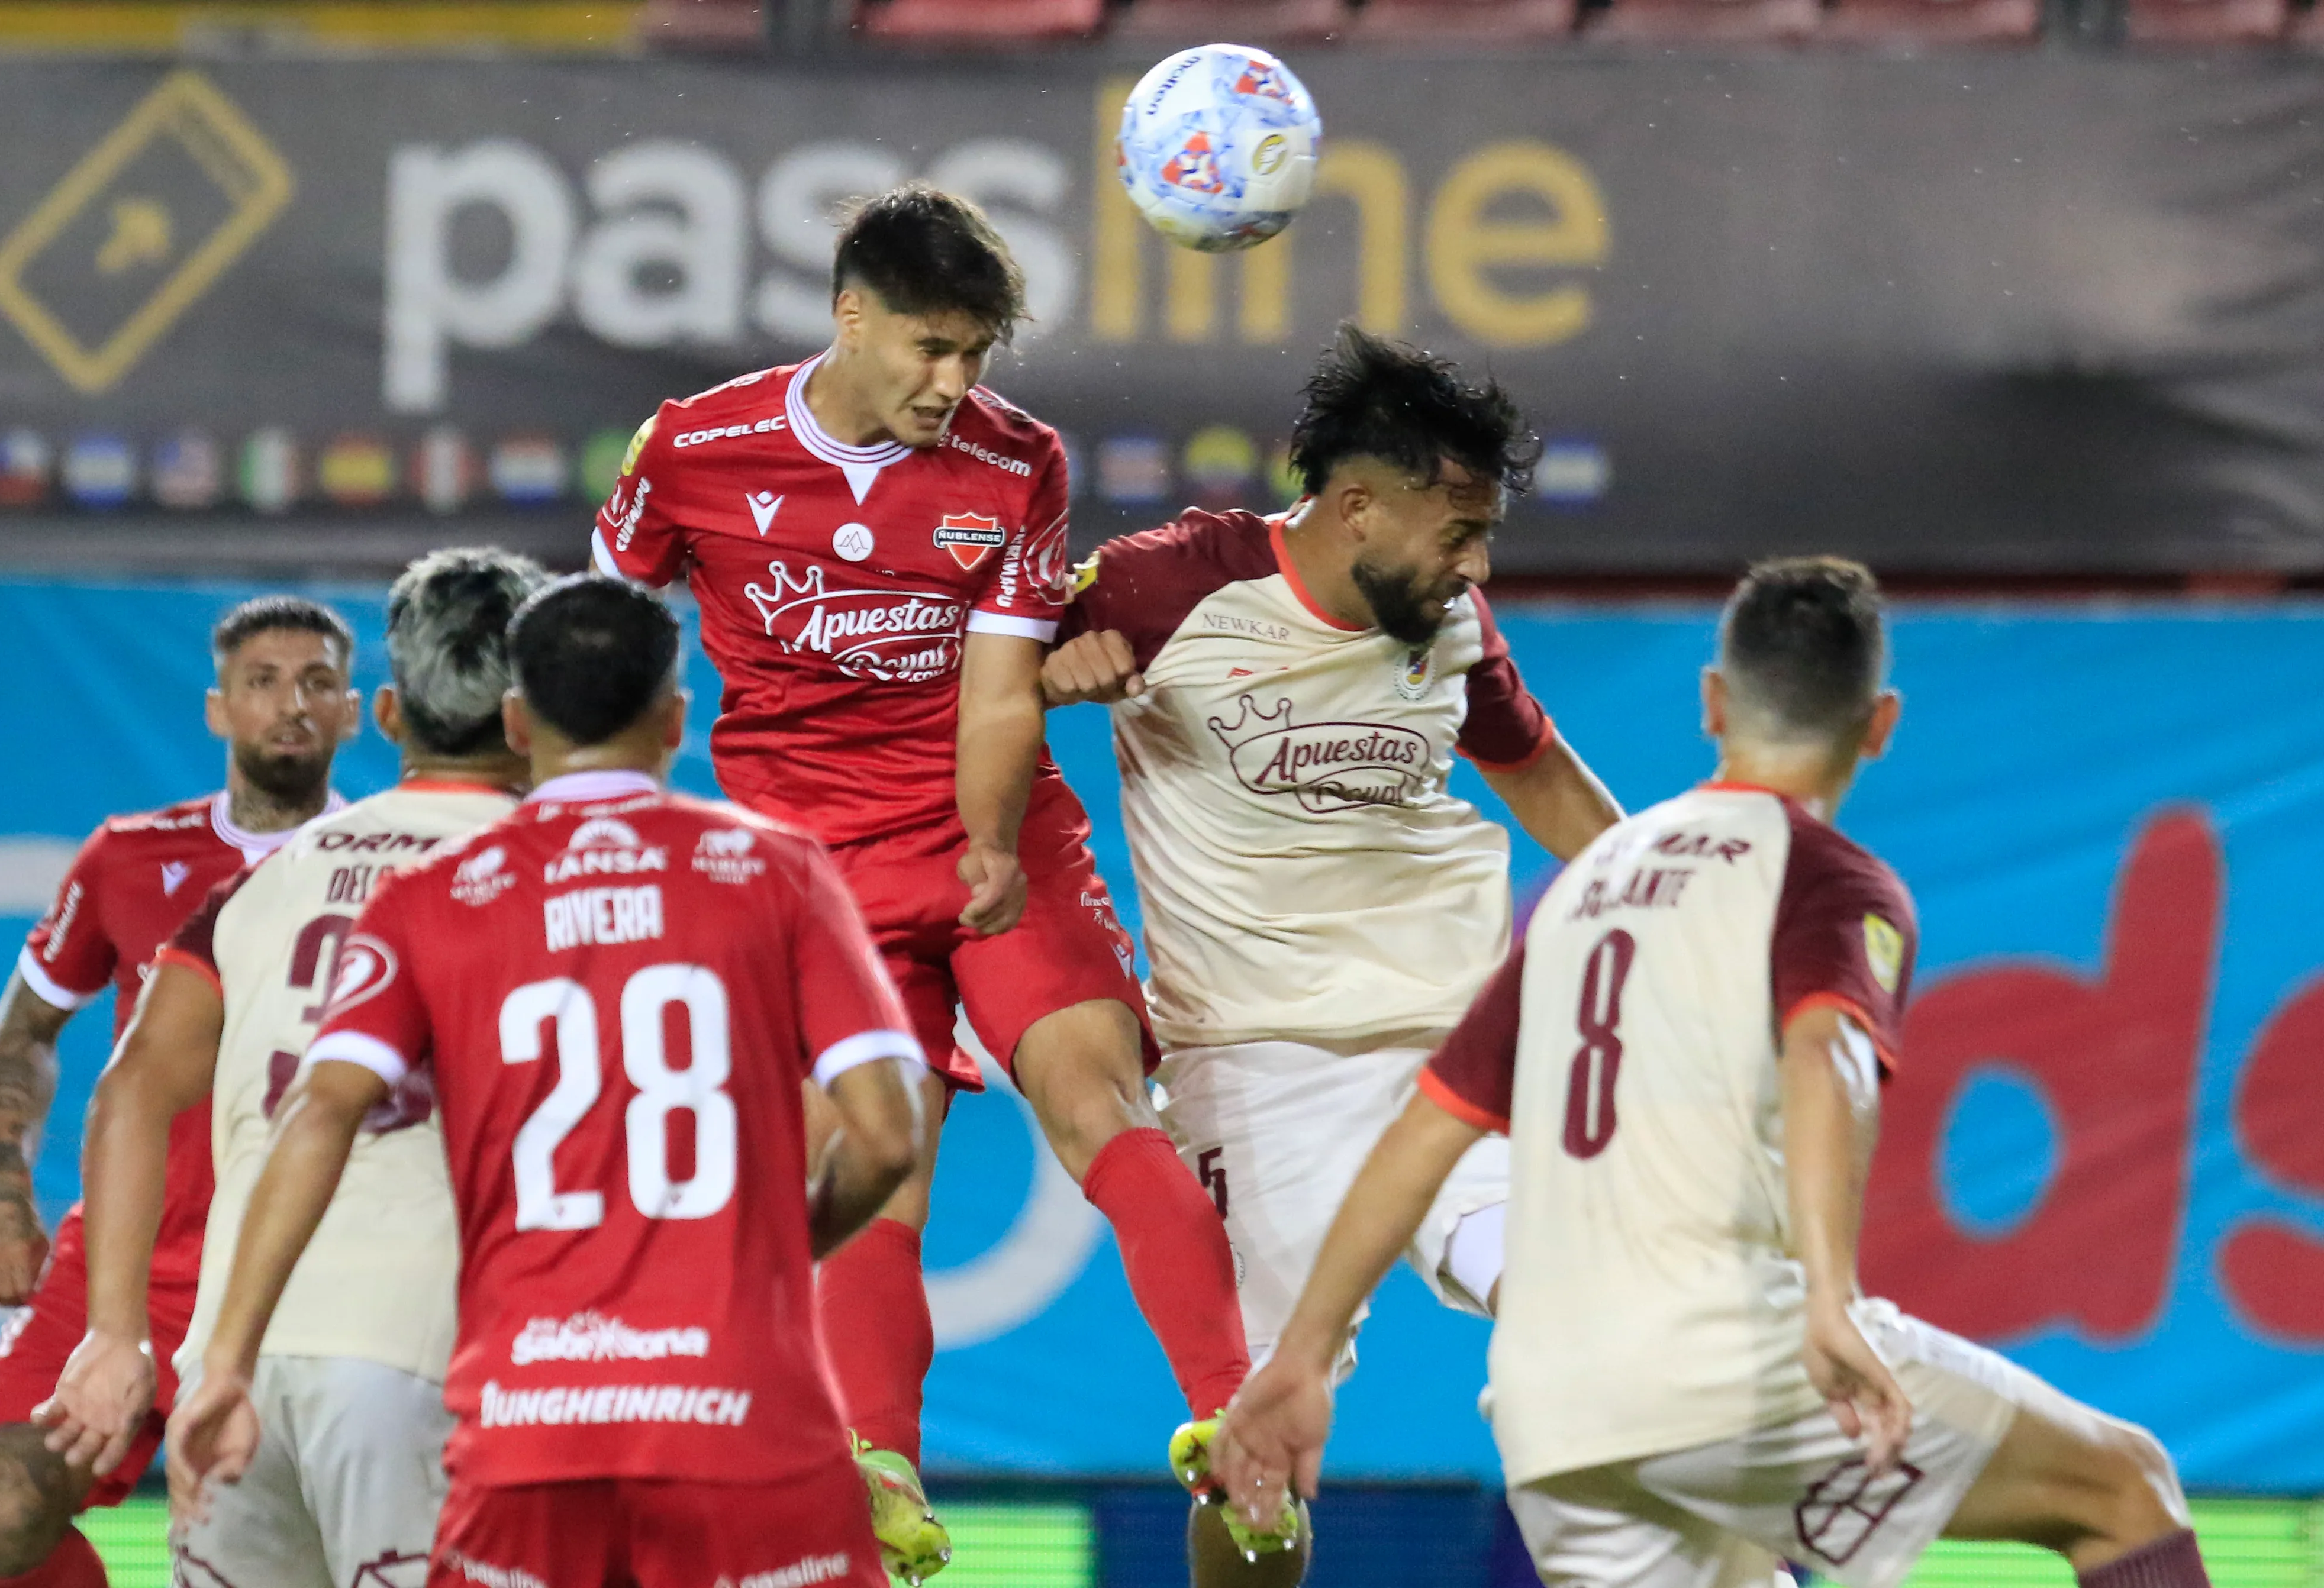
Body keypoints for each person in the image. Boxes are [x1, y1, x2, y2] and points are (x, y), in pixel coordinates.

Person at [1213, 557, 2212, 1588]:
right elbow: (1827, 1058)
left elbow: (1429, 1127)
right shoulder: (1828, 879)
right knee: (2125, 1492)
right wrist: (1831, 1299)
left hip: (1554, 1404)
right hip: (1719, 1356)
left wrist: (1302, 1354)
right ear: (1880, 724)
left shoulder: (1586, 886)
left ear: (1713, 702)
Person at [591, 182, 1261, 1558]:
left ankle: (1240, 1421)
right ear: (851, 314)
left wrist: (989, 847)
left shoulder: (1018, 462)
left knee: (1098, 1105)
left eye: (977, 355)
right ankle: (881, 1467)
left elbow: (1002, 689)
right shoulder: (694, 448)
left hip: (991, 835)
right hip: (809, 877)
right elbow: (603, 640)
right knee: (876, 1172)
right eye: (929, 349)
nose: (954, 383)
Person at [167, 574, 924, 1588]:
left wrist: (228, 1357)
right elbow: (885, 1135)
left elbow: (320, 1110)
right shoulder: (775, 869)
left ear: (518, 720)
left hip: (527, 1430)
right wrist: (781, 1250)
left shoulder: (433, 898)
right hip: (742, 1415)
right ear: (675, 718)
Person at [1040, 326, 1623, 1567]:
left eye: (1484, 541)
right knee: (1249, 1468)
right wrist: (1045, 676)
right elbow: (971, 685)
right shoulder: (1161, 588)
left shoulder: (1452, 621)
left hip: (1457, 1058)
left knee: (1593, 1324)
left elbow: (1545, 781)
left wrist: (1678, 904)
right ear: (1354, 507)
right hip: (1253, 1072)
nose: (1473, 567)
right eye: (1454, 532)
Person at [31, 548, 546, 1587]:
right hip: (423, 1356)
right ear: (534, 719)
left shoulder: (264, 885)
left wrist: (117, 1336)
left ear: (389, 714)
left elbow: (129, 1090)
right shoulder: (555, 870)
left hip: (236, 1369)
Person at [0, 596, 360, 1588]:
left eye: (316, 683)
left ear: (355, 711)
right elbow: (27, 1030)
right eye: (263, 683)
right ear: (218, 709)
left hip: (314, 1270)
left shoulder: (398, 865)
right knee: (3, 1510)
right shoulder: (129, 856)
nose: (291, 707)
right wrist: (6, 1192)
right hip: (132, 1261)